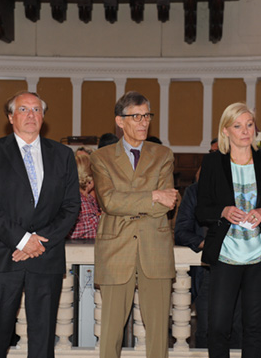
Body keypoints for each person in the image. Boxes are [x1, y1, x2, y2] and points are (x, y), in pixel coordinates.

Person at [0, 91, 80, 358]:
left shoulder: (63, 155)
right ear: (10, 117)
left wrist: (37, 242)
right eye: (23, 109)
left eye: (36, 110)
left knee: (43, 340)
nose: (31, 115)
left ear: (43, 117)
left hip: (46, 257)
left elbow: (70, 208)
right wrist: (23, 241)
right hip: (3, 257)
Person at [90, 91, 178, 358]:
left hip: (156, 249)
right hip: (116, 250)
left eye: (146, 116)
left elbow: (168, 202)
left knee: (159, 336)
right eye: (136, 116)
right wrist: (152, 195)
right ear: (120, 121)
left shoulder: (163, 154)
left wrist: (134, 200)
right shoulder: (101, 157)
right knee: (111, 335)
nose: (143, 122)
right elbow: (109, 202)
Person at [195, 103, 261, 358]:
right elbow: (201, 211)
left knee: (254, 326)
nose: (245, 131)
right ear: (226, 131)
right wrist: (223, 211)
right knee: (219, 326)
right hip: (225, 255)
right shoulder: (213, 162)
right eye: (238, 125)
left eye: (249, 124)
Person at [174, 166, 242, 349]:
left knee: (239, 331)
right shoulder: (195, 192)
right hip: (209, 271)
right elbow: (181, 231)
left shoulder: (246, 190)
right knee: (207, 331)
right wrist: (209, 245)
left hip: (242, 269)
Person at [68, 154, 100, 239]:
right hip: (79, 249)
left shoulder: (90, 199)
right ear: (89, 180)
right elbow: (70, 231)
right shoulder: (75, 200)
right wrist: (96, 221)